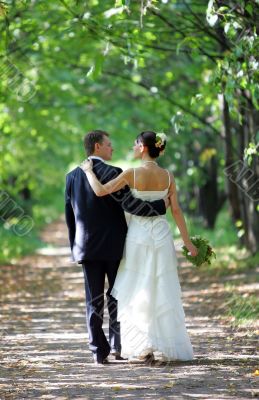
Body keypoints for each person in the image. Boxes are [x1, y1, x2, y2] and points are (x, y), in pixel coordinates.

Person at [80, 130, 198, 362]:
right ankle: (167, 345)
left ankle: (143, 345)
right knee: (162, 286)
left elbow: (100, 191)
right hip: (162, 236)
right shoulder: (168, 176)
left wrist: (88, 172)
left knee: (138, 288)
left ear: (143, 148)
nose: (133, 148)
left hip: (138, 236)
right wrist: (188, 242)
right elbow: (176, 211)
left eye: (135, 145)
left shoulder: (131, 174)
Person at [65, 130, 168, 365]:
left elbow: (70, 216)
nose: (113, 148)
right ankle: (119, 346)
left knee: (93, 300)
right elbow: (131, 205)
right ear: (98, 147)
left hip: (87, 248)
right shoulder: (114, 173)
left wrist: (75, 248)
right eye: (109, 145)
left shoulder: (72, 177)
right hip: (114, 245)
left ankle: (97, 352)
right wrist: (161, 206)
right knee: (117, 296)